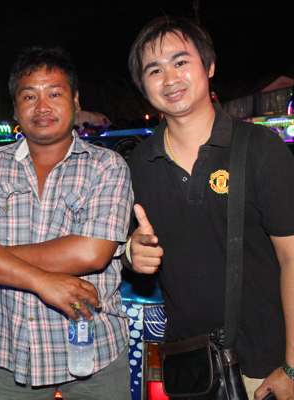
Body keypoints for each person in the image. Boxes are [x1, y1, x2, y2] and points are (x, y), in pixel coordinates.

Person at [126, 16, 294, 400]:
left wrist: (291, 366)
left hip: (263, 373)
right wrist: (131, 254)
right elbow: (126, 247)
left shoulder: (260, 149)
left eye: (181, 62)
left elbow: (292, 257)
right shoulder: (139, 164)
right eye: (154, 70)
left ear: (209, 66)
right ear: (143, 85)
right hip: (188, 371)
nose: (170, 78)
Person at [0, 46, 133, 399]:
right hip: (13, 355)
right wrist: (42, 282)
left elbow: (91, 252)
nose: (42, 107)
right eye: (29, 96)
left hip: (95, 356)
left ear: (75, 102)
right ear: (15, 108)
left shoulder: (107, 166)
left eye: (54, 94)